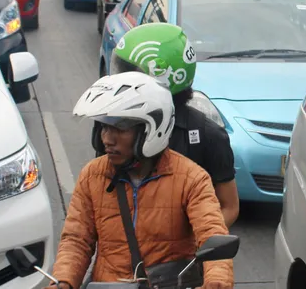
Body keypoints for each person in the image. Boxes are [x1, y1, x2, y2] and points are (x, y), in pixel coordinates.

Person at [53, 72, 234, 289]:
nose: (107, 139)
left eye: (119, 128)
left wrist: (216, 281)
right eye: (104, 127)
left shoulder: (191, 179)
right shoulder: (93, 175)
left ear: (150, 130)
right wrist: (62, 282)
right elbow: (76, 240)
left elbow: (212, 232)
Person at [102, 23, 240, 226]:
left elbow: (229, 206)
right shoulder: (111, 128)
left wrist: (194, 243)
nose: (108, 138)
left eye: (130, 75)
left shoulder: (208, 136)